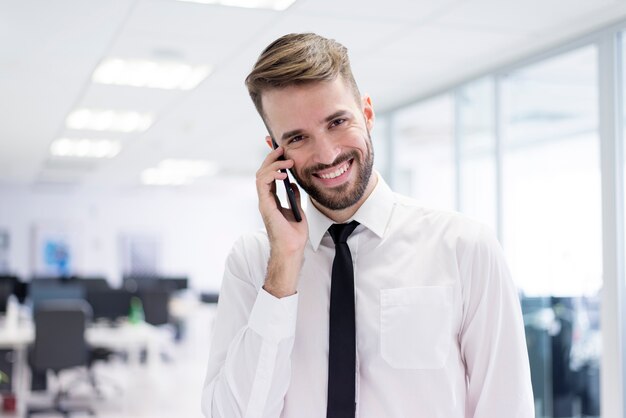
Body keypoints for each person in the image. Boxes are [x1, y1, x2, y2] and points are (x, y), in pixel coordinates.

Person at [201, 33, 534, 418]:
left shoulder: (464, 247)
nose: (327, 154)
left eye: (337, 121)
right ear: (275, 149)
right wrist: (283, 270)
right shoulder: (254, 260)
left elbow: (506, 405)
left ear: (368, 113)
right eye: (297, 137)